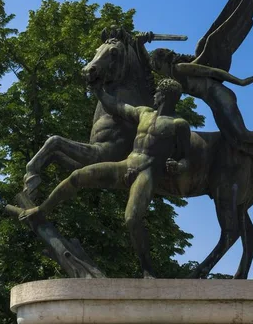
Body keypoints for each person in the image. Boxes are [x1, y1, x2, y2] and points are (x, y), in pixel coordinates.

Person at [19, 78, 191, 278]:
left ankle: (147, 269)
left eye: (158, 93)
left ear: (164, 96)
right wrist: (98, 90)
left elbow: (186, 158)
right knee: (77, 176)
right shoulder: (144, 113)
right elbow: (117, 106)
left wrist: (178, 166)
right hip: (126, 165)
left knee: (132, 218)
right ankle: (41, 209)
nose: (154, 95)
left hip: (147, 172)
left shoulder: (179, 124)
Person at [148, 48, 253, 161]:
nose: (157, 70)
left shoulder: (180, 68)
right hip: (212, 102)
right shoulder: (173, 77)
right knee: (235, 142)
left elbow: (213, 72)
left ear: (163, 61)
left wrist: (241, 82)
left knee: (243, 134)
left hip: (221, 96)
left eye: (157, 66)